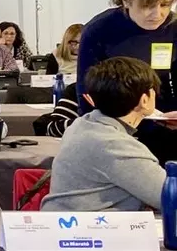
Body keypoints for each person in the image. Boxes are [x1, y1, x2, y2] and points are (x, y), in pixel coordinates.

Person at [76, 0, 177, 162]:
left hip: (168, 129)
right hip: (116, 133)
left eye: (165, 4)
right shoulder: (99, 30)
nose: (157, 14)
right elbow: (86, 94)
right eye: (147, 6)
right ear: (127, 1)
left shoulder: (174, 28)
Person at [42, 57, 165, 212]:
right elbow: (168, 196)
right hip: (93, 231)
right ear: (145, 99)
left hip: (69, 225)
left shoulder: (83, 124)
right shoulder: (115, 145)